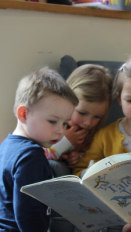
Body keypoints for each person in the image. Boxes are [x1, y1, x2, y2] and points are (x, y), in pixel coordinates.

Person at [0, 67, 78, 231]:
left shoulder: (6, 145)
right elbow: (29, 213)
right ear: (23, 114)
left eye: (65, 123)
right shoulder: (31, 156)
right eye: (52, 121)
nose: (60, 131)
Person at [44, 64, 113, 176]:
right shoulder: (51, 127)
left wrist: (78, 157)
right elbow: (39, 156)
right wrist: (65, 142)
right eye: (82, 113)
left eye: (97, 117)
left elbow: (89, 157)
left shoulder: (95, 134)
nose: (88, 123)